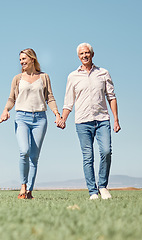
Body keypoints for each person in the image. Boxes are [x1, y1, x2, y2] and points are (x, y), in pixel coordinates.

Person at [57, 43, 121, 200]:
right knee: (88, 157)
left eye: (87, 53)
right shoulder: (73, 76)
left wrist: (116, 120)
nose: (84, 56)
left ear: (92, 54)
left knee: (106, 151)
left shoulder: (103, 73)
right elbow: (68, 102)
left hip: (102, 119)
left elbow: (111, 97)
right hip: (82, 122)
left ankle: (103, 186)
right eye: (81, 54)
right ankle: (93, 191)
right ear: (78, 57)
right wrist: (63, 119)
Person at [0, 48, 61, 199]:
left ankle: (29, 191)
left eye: (24, 59)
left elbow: (50, 98)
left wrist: (57, 114)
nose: (21, 62)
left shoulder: (44, 77)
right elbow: (11, 98)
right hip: (21, 117)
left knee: (34, 157)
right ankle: (23, 186)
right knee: (24, 151)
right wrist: (5, 110)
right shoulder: (17, 78)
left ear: (32, 59)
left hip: (40, 119)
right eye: (20, 60)